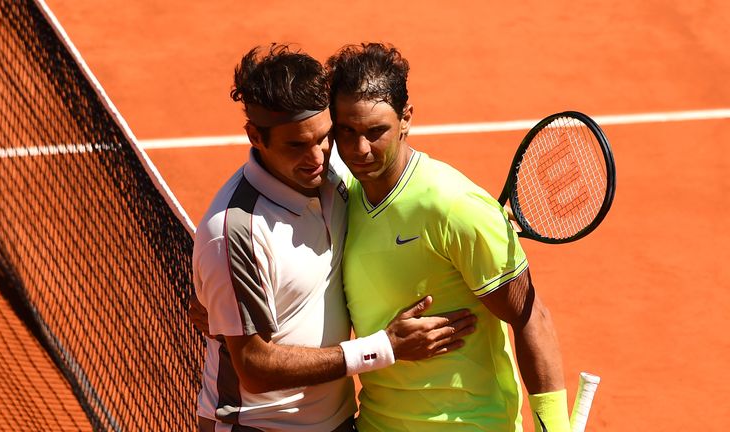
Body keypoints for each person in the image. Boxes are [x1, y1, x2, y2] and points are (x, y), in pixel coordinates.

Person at [191, 44, 476, 432]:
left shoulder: (336, 174)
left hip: (338, 422)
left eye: (324, 137)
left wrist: (480, 221)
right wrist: (382, 348)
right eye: (296, 144)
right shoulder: (234, 233)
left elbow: (404, 192)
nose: (316, 157)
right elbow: (254, 368)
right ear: (255, 136)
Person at [327, 42, 571, 431]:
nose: (360, 150)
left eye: (376, 132)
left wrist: (556, 429)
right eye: (347, 131)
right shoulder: (342, 197)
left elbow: (530, 316)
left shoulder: (454, 205)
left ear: (406, 118)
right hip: (377, 423)